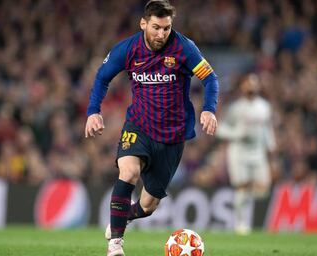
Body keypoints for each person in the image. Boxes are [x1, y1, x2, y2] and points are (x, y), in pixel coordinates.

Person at [84, 1, 219, 255]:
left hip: (173, 136)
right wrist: (93, 112)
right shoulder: (128, 49)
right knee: (128, 172)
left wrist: (209, 108)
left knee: (147, 205)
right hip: (139, 126)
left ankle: (122, 217)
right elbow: (102, 77)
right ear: (143, 23)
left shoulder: (184, 48)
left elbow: (210, 77)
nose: (161, 34)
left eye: (166, 28)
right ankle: (115, 244)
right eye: (156, 27)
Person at [216, 73, 276, 235]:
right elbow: (220, 129)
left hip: (258, 152)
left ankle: (248, 212)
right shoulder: (235, 108)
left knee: (264, 188)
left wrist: (271, 145)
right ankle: (241, 224)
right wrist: (237, 134)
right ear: (243, 87)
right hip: (239, 151)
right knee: (241, 187)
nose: (252, 86)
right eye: (249, 83)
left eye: (254, 83)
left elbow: (267, 128)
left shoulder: (264, 106)